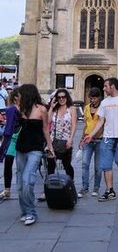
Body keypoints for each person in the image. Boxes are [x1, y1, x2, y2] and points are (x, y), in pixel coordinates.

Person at [81, 77, 118, 201]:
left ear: (113, 86)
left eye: (105, 86)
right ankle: (109, 190)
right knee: (106, 165)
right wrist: (90, 135)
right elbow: (100, 121)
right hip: (107, 137)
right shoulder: (104, 102)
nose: (103, 89)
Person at [15, 83, 54, 226]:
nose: (19, 96)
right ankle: (24, 211)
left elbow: (45, 129)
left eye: (21, 94)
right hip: (21, 148)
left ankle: (31, 212)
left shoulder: (41, 109)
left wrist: (50, 147)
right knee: (20, 184)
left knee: (27, 180)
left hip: (35, 149)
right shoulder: (21, 109)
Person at [47, 88, 77, 184]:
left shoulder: (71, 109)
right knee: (51, 164)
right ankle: (49, 187)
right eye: (59, 97)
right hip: (53, 140)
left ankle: (70, 184)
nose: (61, 99)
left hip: (65, 140)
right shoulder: (55, 109)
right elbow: (47, 121)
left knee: (66, 164)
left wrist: (71, 139)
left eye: (63, 97)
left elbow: (74, 125)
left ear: (67, 97)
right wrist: (51, 107)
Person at [79, 87, 103, 197]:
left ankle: (96, 188)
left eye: (94, 98)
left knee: (98, 167)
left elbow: (103, 124)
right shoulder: (87, 108)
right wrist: (82, 138)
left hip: (100, 140)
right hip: (88, 139)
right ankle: (84, 187)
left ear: (99, 98)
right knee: (85, 164)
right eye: (91, 98)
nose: (92, 100)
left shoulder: (103, 108)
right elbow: (86, 124)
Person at [0, 88, 21, 201]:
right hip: (12, 138)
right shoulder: (11, 109)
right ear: (15, 97)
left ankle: (22, 188)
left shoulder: (26, 109)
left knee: (22, 165)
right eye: (18, 95)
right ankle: (7, 189)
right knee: (8, 161)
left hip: (23, 138)